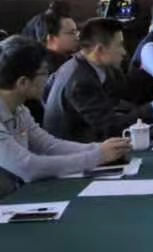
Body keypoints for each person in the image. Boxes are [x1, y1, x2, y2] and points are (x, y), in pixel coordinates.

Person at [0, 36, 130, 198]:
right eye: (44, 73)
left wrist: (100, 148)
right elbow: (28, 167)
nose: (48, 79)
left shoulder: (19, 109)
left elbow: (48, 146)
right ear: (23, 82)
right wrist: (97, 156)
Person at [44, 18, 153, 143]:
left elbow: (128, 93)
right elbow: (108, 128)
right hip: (74, 150)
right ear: (100, 50)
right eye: (119, 45)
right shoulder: (80, 81)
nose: (124, 52)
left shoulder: (100, 67)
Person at [42, 9, 80, 74]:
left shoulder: (71, 59)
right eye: (71, 33)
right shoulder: (44, 68)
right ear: (51, 38)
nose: (77, 37)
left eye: (76, 32)